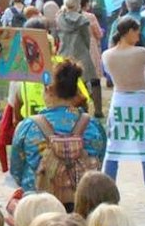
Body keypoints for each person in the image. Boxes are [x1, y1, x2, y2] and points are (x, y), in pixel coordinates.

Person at [7, 61, 107, 205]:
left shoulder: (28, 126)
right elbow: (99, 164)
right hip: (82, 202)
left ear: (48, 90)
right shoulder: (93, 126)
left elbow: (16, 171)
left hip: (39, 204)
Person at [100, 16, 145, 188]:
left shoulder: (107, 55)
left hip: (119, 100)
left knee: (114, 146)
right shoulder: (141, 52)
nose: (138, 35)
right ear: (129, 32)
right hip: (138, 99)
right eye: (136, 31)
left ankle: (108, 185)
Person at [55, 0, 103, 114]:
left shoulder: (59, 18)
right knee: (92, 81)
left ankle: (67, 108)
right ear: (78, 4)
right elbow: (86, 38)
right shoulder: (83, 20)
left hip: (64, 52)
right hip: (81, 52)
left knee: (67, 83)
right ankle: (96, 109)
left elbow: (56, 36)